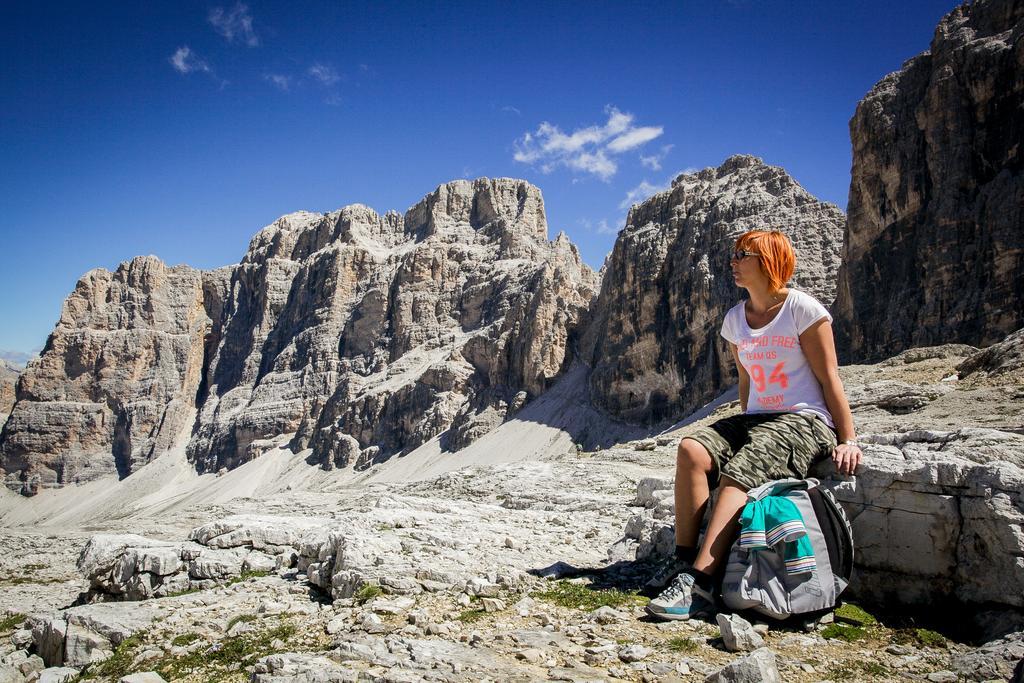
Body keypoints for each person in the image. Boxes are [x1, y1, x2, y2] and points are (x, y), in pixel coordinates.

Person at [646, 229, 862, 621]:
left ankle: (700, 584)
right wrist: (743, 427)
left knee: (741, 471)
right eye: (735, 253)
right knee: (691, 448)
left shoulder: (804, 311)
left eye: (742, 254)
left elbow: (830, 377)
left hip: (804, 419)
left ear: (769, 261)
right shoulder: (735, 320)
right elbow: (746, 381)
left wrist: (847, 438)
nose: (733, 262)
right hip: (757, 418)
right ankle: (682, 560)